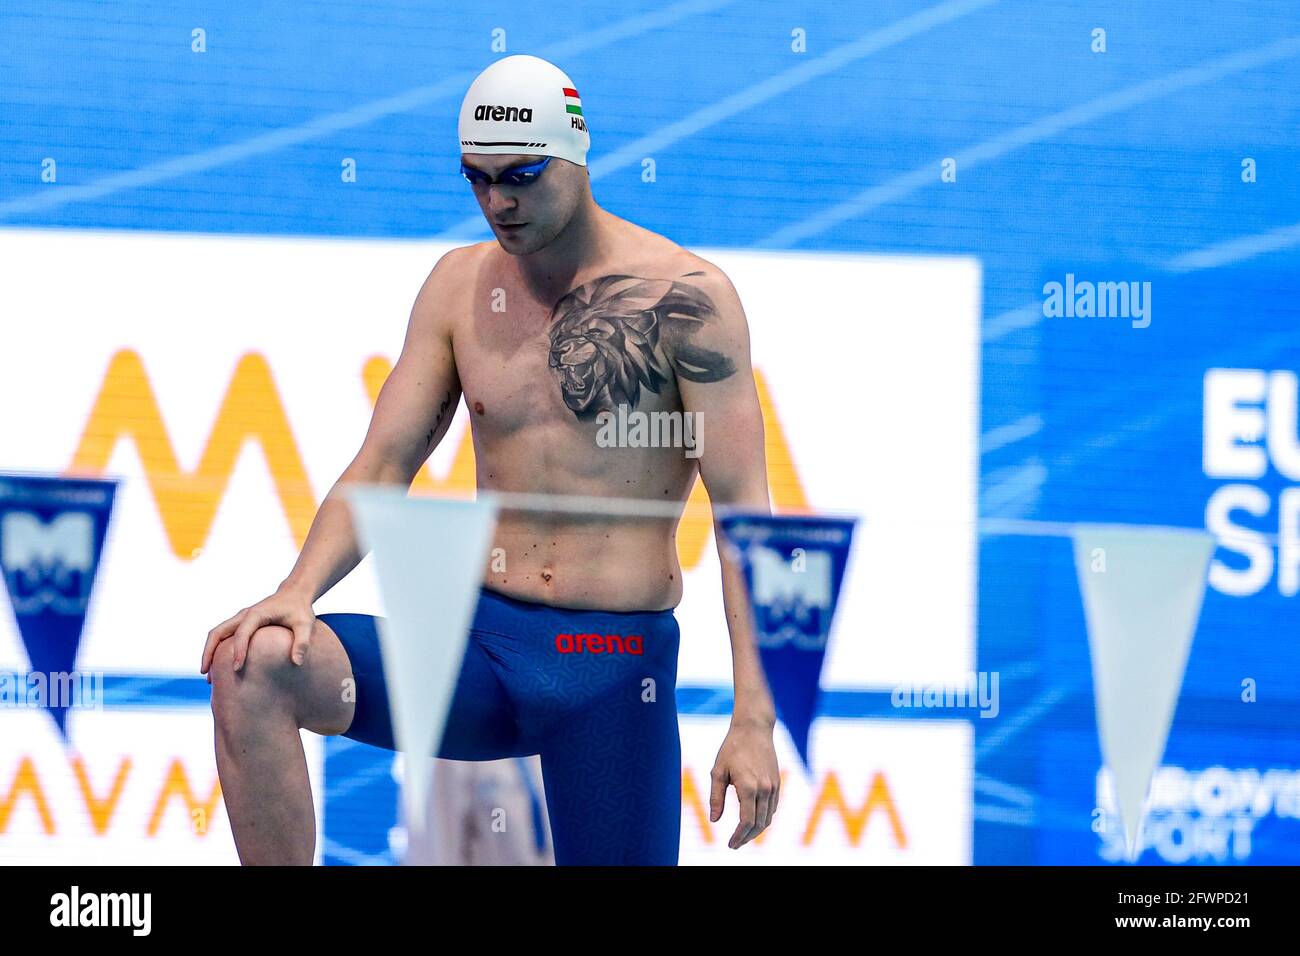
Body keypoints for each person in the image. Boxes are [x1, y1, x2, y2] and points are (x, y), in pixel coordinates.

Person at [200, 53, 779, 865]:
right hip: (479, 646)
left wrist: (754, 715)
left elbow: (744, 517)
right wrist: (297, 591)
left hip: (607, 666)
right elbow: (383, 464)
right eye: (476, 178)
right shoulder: (457, 288)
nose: (497, 202)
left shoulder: (686, 301)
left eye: (521, 175)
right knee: (254, 665)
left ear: (576, 156)